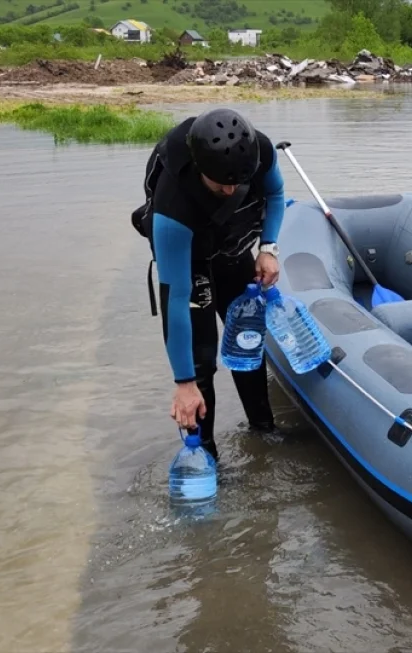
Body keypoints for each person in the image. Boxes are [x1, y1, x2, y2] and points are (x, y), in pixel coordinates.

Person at [131, 107, 284, 460]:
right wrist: (183, 383)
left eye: (237, 182)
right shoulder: (173, 209)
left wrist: (268, 248)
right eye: (221, 185)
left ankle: (263, 431)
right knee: (201, 361)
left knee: (247, 339)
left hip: (231, 246)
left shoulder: (261, 151)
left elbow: (275, 196)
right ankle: (207, 457)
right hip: (190, 253)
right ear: (201, 170)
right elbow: (175, 299)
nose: (231, 190)